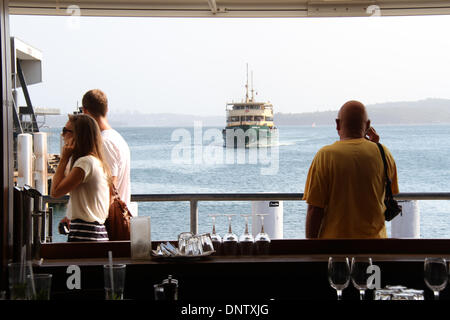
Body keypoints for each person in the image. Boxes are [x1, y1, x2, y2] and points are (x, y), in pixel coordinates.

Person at [303, 100, 399, 239]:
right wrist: (375, 147)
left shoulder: (325, 155)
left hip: (334, 249)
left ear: (337, 124)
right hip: (375, 248)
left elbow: (315, 209)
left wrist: (311, 250)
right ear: (367, 125)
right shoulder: (384, 153)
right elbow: (384, 196)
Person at [51, 114, 111, 242]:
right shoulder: (96, 162)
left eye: (65, 131)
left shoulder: (85, 163)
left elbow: (55, 192)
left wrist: (64, 159)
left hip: (85, 233)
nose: (62, 135)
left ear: (77, 136)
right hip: (96, 232)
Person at [81, 89, 131, 208]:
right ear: (106, 109)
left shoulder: (104, 143)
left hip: (107, 222)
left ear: (85, 111)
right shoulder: (117, 138)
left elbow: (110, 190)